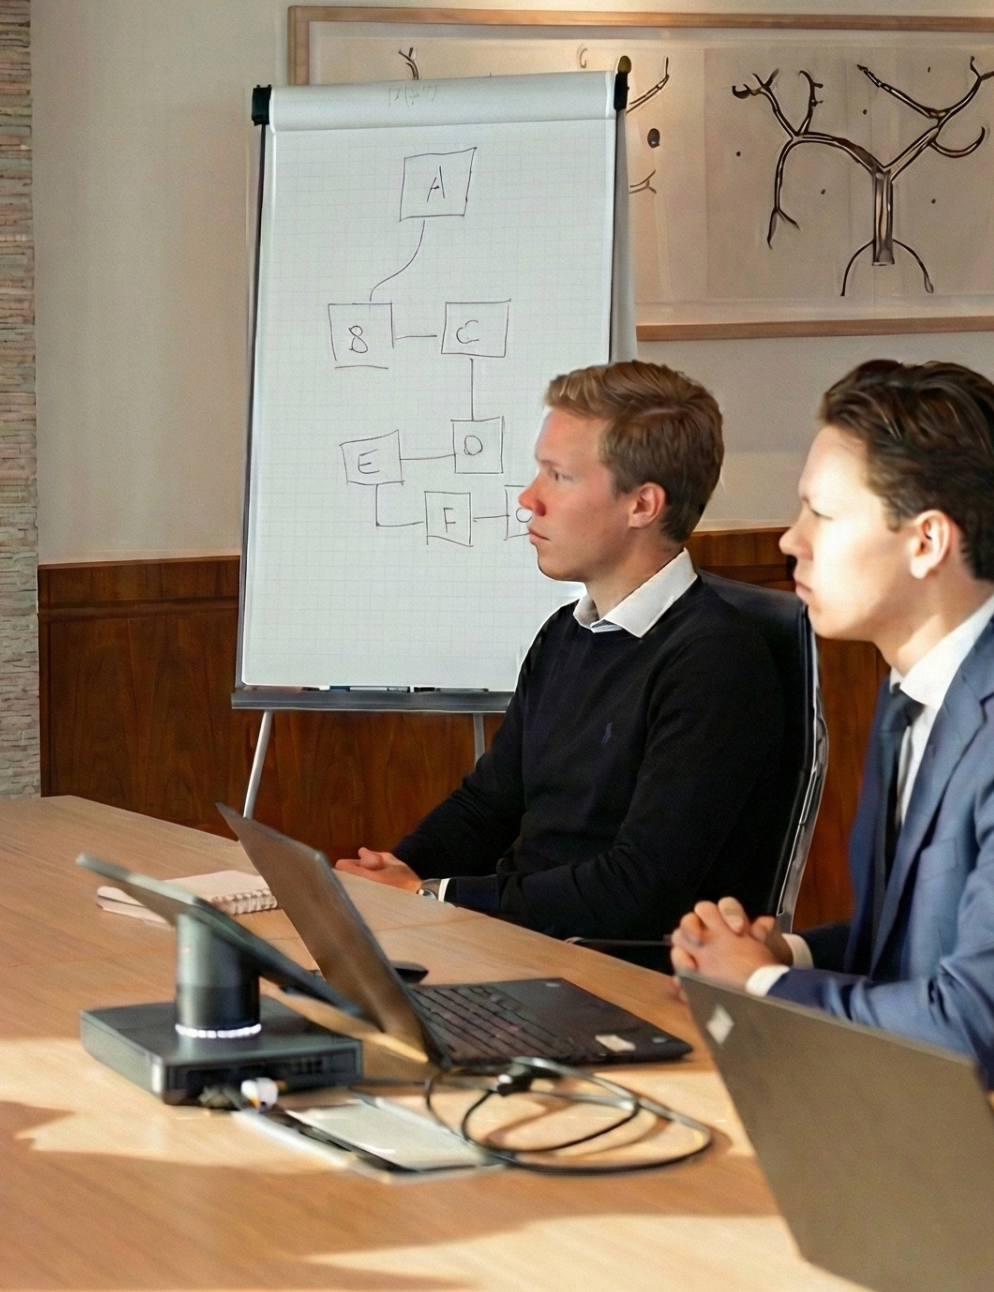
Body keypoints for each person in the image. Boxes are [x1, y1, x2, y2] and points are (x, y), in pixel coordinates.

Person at [672, 360, 994, 1091]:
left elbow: (972, 1030)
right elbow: (910, 947)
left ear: (926, 542)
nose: (790, 541)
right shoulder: (910, 686)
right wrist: (783, 954)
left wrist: (762, 986)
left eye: (821, 515)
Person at [334, 360, 788, 944]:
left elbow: (637, 889)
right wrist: (396, 873)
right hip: (526, 942)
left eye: (559, 476)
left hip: (612, 968)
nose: (529, 498)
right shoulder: (564, 634)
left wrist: (432, 895)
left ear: (642, 505)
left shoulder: (715, 664)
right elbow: (489, 805)